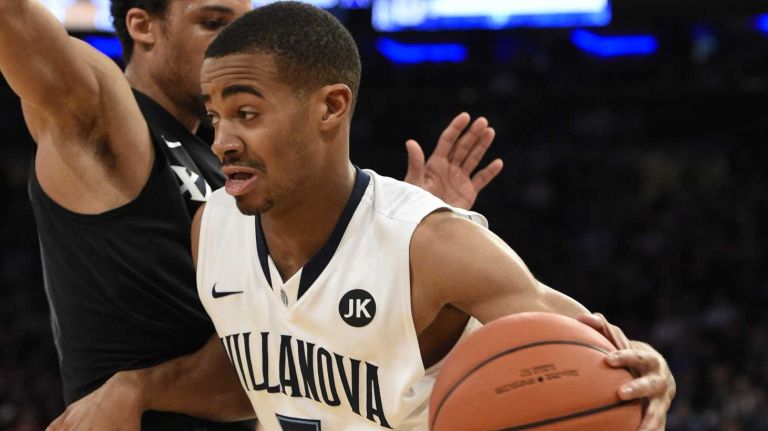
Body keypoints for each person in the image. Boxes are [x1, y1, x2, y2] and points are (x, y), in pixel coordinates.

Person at [44, 2, 674, 430]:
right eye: (215, 116)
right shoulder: (214, 227)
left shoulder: (434, 246)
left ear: (331, 107)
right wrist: (140, 387)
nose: (223, 140)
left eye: (247, 113)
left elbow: (597, 353)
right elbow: (247, 364)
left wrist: (650, 367)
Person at [0, 0, 502, 429]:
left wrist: (397, 244)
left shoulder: (231, 170)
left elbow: (266, 350)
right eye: (214, 23)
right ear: (142, 26)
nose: (233, 45)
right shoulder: (108, 125)